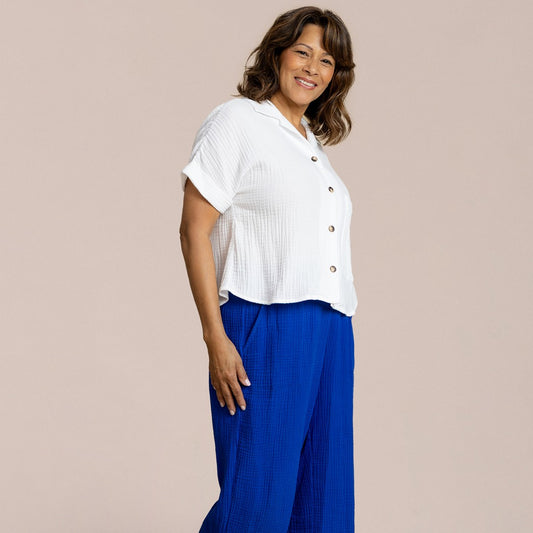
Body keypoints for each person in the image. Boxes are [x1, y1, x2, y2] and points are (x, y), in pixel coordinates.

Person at [179, 6, 358, 532]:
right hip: (267, 322)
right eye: (303, 52)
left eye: (327, 61)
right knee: (257, 494)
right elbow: (193, 230)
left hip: (332, 328)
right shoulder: (237, 121)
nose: (313, 68)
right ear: (277, 53)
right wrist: (215, 336)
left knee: (323, 494)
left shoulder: (310, 144)